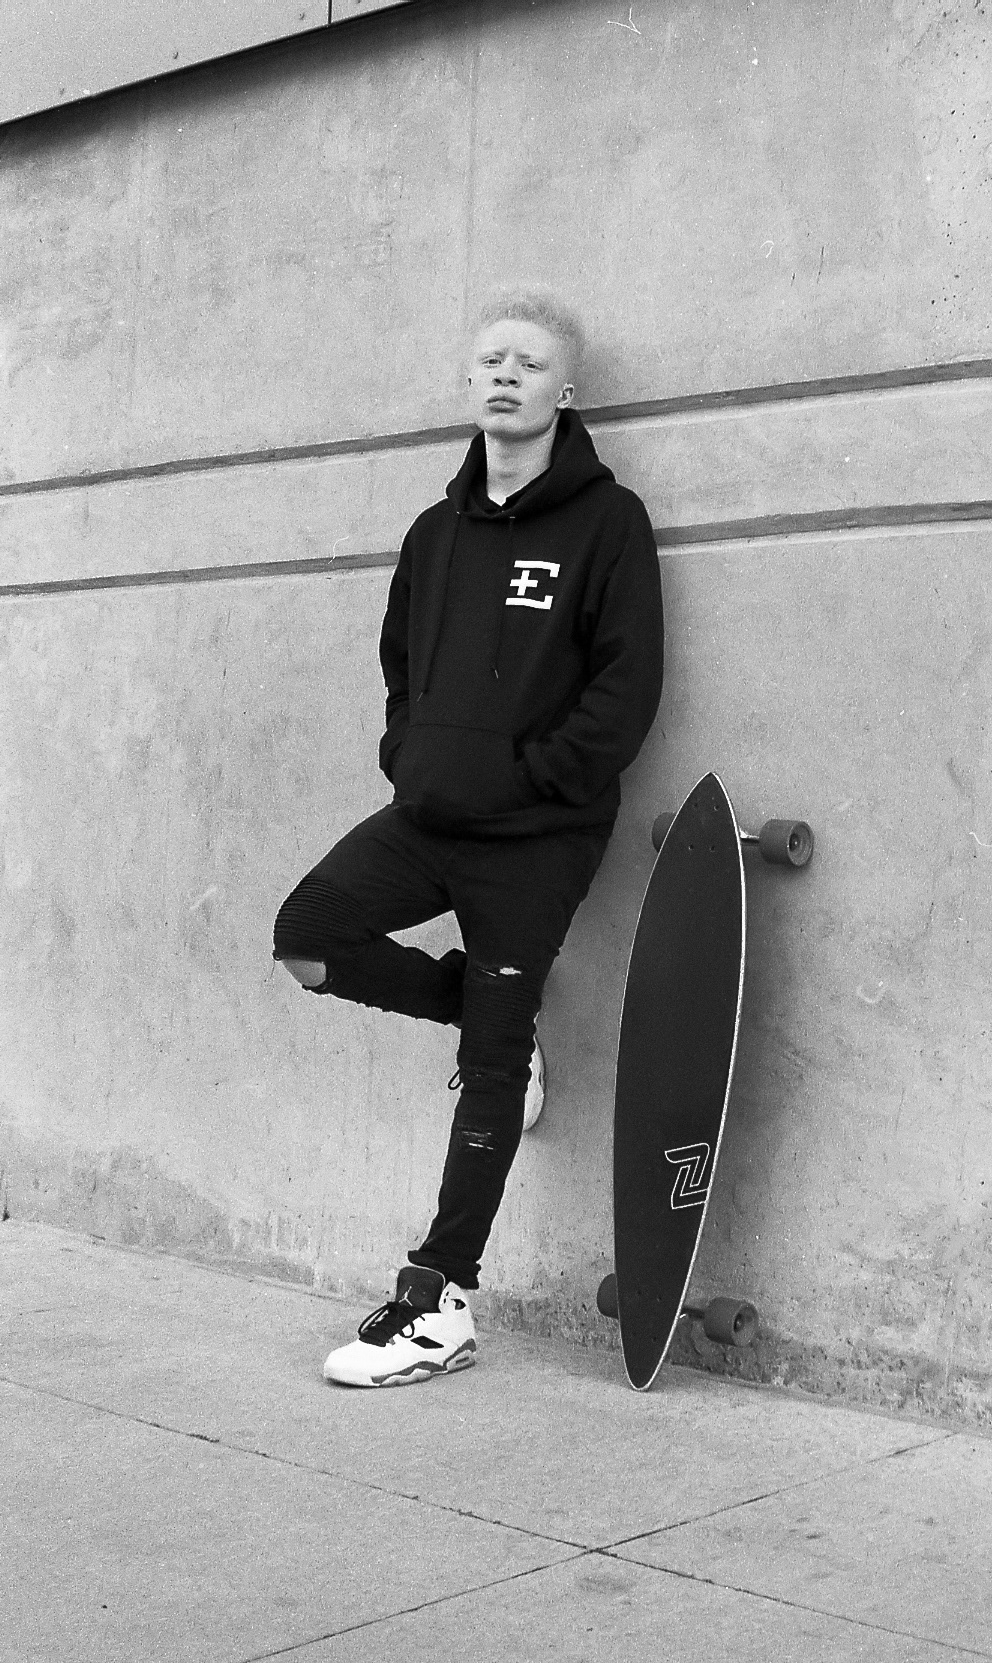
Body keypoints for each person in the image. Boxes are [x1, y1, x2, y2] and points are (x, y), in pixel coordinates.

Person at [273, 290, 664, 1387]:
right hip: (430, 815)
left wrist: (531, 779)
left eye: (528, 364)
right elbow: (398, 667)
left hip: (538, 835)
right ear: (469, 381)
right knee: (306, 936)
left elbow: (626, 690)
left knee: (488, 1071)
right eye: (490, 359)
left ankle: (439, 1301)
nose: (505, 376)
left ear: (564, 390)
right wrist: (410, 754)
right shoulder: (432, 533)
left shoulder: (607, 521)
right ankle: (482, 1008)